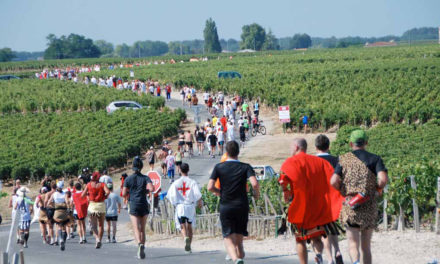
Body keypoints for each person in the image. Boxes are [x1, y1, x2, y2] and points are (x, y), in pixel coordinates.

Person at [279, 138, 342, 264]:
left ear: (296, 147)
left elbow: (283, 181)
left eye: (291, 147)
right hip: (317, 207)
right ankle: (318, 254)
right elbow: (331, 181)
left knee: (300, 239)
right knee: (317, 236)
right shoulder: (319, 162)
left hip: (300, 207)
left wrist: (286, 194)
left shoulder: (290, 162)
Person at [330, 130, 388, 264]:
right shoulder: (375, 159)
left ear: (351, 143)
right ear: (366, 143)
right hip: (369, 204)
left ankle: (355, 262)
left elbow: (333, 181)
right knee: (366, 246)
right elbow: (383, 179)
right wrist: (376, 188)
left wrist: (343, 190)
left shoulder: (344, 159)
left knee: (352, 243)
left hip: (351, 204)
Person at [208, 141, 260, 264]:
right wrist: (256, 194)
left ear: (226, 152)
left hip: (226, 205)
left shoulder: (219, 167)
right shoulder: (246, 167)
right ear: (238, 152)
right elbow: (255, 183)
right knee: (239, 240)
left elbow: (210, 187)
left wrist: (220, 192)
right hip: (242, 205)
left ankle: (236, 259)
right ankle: (240, 257)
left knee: (228, 237)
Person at [315, 134, 344, 264]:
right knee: (332, 226)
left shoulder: (312, 161)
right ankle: (337, 250)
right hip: (335, 198)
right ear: (328, 146)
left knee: (324, 230)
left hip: (319, 199)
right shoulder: (336, 160)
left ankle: (329, 258)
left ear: (316, 147)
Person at [166, 163, 202, 253]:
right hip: (190, 206)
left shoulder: (176, 183)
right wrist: (199, 202)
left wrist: (175, 203)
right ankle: (189, 246)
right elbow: (198, 194)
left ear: (179, 170)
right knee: (189, 226)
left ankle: (185, 237)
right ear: (188, 170)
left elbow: (170, 195)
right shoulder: (192, 182)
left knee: (182, 225)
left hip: (180, 207)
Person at [122, 156, 154, 259]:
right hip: (143, 204)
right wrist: (146, 191)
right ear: (141, 166)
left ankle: (139, 244)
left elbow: (123, 193)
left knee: (136, 228)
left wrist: (129, 192)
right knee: (142, 229)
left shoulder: (128, 179)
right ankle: (143, 245)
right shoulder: (146, 178)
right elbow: (151, 188)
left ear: (133, 167)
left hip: (134, 204)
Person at [82, 171, 110, 249]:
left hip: (92, 206)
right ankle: (99, 240)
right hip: (101, 206)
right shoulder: (102, 184)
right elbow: (108, 192)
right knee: (101, 225)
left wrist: (88, 195)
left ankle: (97, 238)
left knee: (94, 225)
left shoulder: (89, 185)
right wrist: (104, 197)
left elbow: (82, 195)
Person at [47, 181, 70, 251]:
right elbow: (67, 202)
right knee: (64, 227)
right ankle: (63, 240)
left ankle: (60, 239)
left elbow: (48, 202)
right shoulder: (65, 194)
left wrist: (53, 205)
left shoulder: (54, 194)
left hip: (57, 212)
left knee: (59, 227)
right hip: (64, 212)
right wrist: (68, 207)